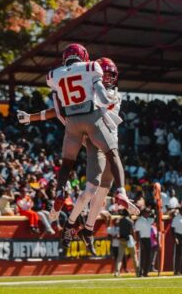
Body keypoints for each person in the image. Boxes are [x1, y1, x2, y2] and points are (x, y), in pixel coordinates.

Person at [18, 44, 137, 220]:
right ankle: (121, 193)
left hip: (73, 124)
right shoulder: (91, 71)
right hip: (97, 127)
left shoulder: (55, 74)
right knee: (112, 158)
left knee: (68, 165)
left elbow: (57, 110)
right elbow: (102, 99)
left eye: (111, 75)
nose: (108, 78)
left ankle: (60, 193)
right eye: (106, 74)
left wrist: (31, 118)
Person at [115, 210, 138, 277]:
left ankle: (117, 272)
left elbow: (119, 229)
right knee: (134, 257)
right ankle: (137, 272)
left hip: (122, 239)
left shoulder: (120, 221)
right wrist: (135, 239)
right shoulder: (130, 221)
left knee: (120, 257)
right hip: (129, 239)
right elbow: (133, 231)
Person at [135, 208, 154, 277]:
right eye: (147, 212)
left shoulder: (149, 220)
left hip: (148, 239)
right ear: (143, 213)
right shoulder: (139, 221)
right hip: (142, 239)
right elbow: (137, 232)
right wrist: (139, 242)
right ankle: (140, 272)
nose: (148, 214)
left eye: (149, 213)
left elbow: (155, 218)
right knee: (142, 257)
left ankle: (146, 272)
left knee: (148, 257)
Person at [171, 207, 182, 275]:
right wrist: (175, 238)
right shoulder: (176, 218)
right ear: (181, 211)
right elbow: (172, 229)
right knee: (179, 255)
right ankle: (176, 271)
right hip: (179, 237)